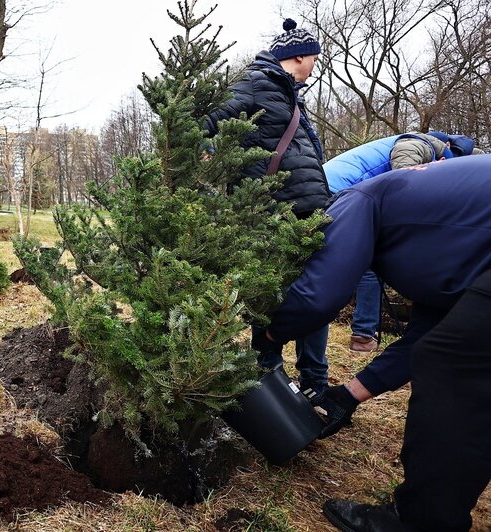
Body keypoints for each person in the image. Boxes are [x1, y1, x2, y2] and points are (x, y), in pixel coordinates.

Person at [252, 155, 491, 531]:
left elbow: (319, 295)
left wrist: (267, 337)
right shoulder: (444, 242)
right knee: (450, 353)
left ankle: (420, 523)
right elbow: (424, 336)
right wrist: (348, 395)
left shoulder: (355, 201)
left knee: (452, 366)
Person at [203, 18, 331, 397]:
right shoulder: (256, 83)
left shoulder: (290, 93)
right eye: (314, 59)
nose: (314, 66)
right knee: (269, 293)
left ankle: (314, 383)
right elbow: (202, 124)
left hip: (308, 209)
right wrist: (210, 156)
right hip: (273, 210)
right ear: (301, 56)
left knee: (317, 295)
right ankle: (269, 376)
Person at [324, 131, 476, 352]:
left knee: (367, 262)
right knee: (370, 264)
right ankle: (363, 337)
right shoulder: (418, 143)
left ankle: (362, 335)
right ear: (446, 150)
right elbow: (407, 184)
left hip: (343, 194)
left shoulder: (424, 147)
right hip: (338, 193)